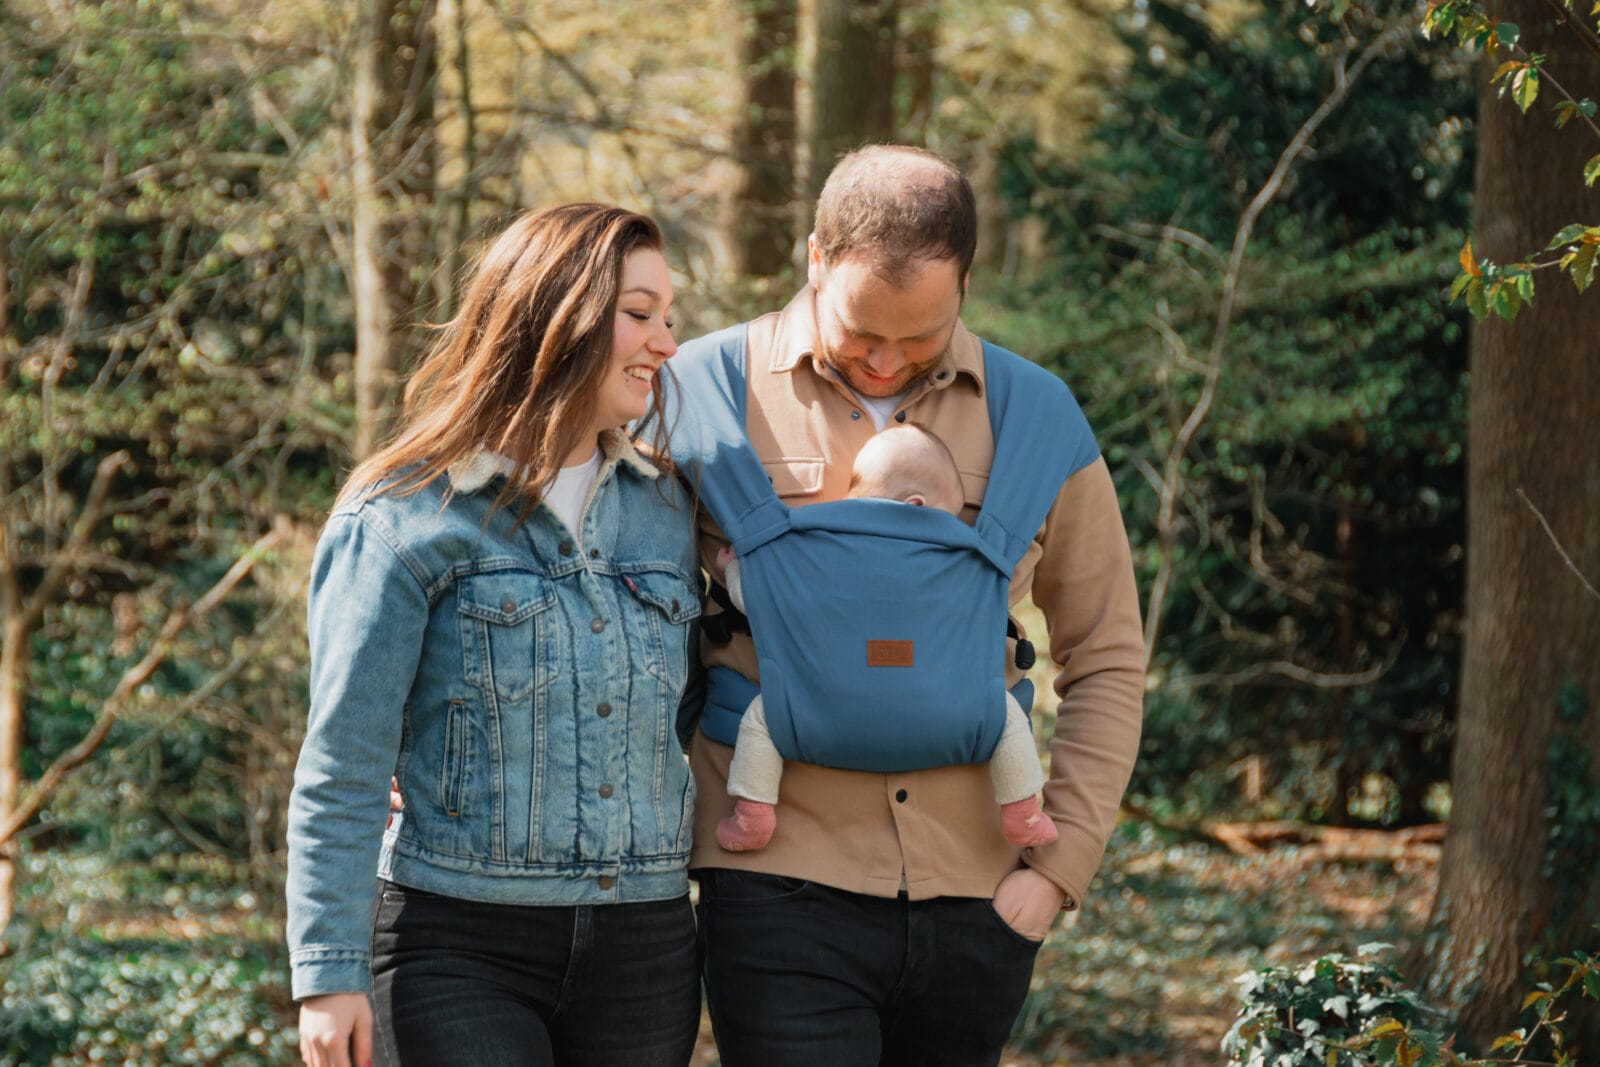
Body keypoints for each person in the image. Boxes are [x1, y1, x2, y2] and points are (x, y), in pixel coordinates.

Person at [679, 145, 1146, 1066]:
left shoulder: (1037, 417)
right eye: (861, 331)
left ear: (967, 281)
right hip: (775, 880)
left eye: (921, 336)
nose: (885, 361)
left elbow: (1106, 653)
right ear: (815, 259)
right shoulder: (700, 394)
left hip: (978, 896)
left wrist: (1056, 872)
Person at [286, 203, 702, 1067]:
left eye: (670, 317)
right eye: (640, 314)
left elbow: (691, 704)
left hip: (646, 948)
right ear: (558, 314)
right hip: (455, 944)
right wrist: (327, 969)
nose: (666, 342)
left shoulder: (670, 509)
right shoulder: (403, 514)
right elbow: (345, 760)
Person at [711, 422, 1057, 852]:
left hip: (815, 712)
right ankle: (1022, 811)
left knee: (761, 720)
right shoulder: (966, 564)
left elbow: (764, 601)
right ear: (917, 506)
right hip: (948, 714)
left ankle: (753, 814)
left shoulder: (815, 552)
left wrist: (732, 571)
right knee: (1005, 717)